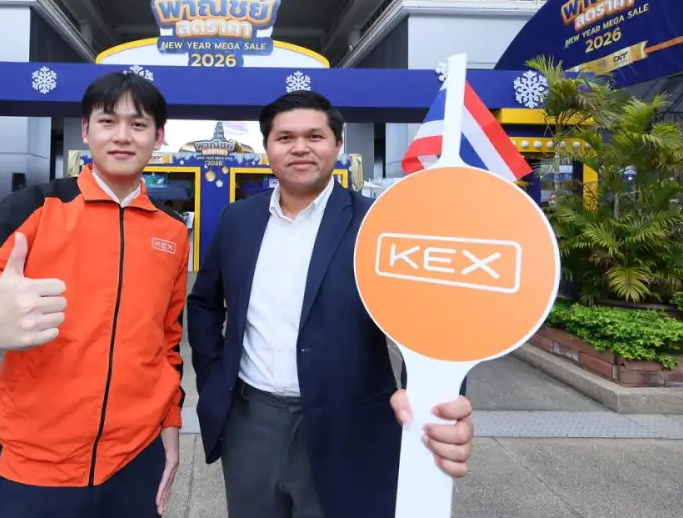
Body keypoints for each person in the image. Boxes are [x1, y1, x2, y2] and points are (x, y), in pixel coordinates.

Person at [0, 71, 189, 518]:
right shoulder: (35, 208)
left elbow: (167, 340)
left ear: (158, 137)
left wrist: (170, 422)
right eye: (108, 121)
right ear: (86, 130)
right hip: (35, 466)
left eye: (138, 124)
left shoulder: (171, 233)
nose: (122, 135)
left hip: (136, 459)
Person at [187, 91, 475, 518]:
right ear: (267, 147)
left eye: (314, 136)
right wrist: (214, 377)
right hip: (250, 421)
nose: (300, 148)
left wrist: (432, 397)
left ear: (338, 144)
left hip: (349, 425)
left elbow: (428, 320)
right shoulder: (238, 220)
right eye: (285, 138)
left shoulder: (379, 224)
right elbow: (205, 304)